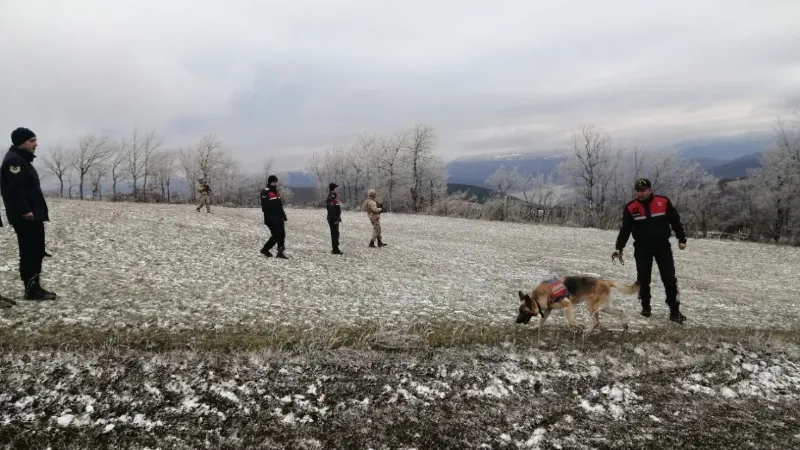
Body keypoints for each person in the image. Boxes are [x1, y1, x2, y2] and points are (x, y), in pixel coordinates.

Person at [614, 178, 686, 323]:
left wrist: (681, 239)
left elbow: (675, 221)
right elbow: (625, 229)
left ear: (650, 190)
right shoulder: (630, 207)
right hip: (642, 248)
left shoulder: (663, 202)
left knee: (669, 278)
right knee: (643, 279)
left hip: (662, 247)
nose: (640, 193)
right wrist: (619, 247)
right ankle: (646, 308)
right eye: (638, 190)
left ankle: (674, 311)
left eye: (643, 190)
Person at [0, 127, 57, 300]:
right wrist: (26, 211)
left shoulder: (21, 159)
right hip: (27, 216)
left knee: (36, 250)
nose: (35, 144)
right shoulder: (14, 162)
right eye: (31, 141)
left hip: (32, 215)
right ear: (21, 142)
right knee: (30, 252)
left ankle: (34, 287)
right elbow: (14, 191)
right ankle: (32, 290)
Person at [260, 175, 288, 259]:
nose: (275, 184)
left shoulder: (276, 192)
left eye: (276, 182)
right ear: (269, 182)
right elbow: (265, 207)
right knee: (276, 235)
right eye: (273, 182)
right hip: (271, 218)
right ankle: (265, 249)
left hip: (279, 217)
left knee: (282, 234)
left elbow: (279, 205)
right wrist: (270, 216)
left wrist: (283, 215)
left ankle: (280, 252)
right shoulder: (265, 192)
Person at [326, 182, 343, 255]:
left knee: (336, 234)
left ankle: (336, 248)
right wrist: (335, 219)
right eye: (336, 188)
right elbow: (331, 209)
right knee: (334, 234)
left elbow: (336, 209)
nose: (337, 189)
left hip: (335, 218)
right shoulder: (331, 198)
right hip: (333, 219)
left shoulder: (334, 197)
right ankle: (335, 249)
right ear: (333, 189)